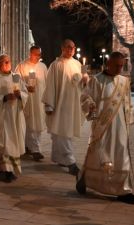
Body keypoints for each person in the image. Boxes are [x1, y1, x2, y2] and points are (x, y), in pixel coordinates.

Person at [77, 52, 134, 204]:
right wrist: (90, 106)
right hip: (102, 126)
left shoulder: (124, 81)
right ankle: (85, 180)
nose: (120, 68)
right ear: (108, 63)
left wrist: (129, 119)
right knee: (98, 155)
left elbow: (127, 102)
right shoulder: (96, 80)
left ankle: (123, 190)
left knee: (121, 154)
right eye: (117, 65)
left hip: (121, 127)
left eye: (122, 65)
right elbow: (85, 97)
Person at [42, 39, 88, 175]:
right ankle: (70, 161)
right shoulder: (55, 65)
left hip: (74, 104)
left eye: (73, 47)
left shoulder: (78, 64)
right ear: (62, 48)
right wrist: (49, 105)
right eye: (68, 47)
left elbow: (81, 85)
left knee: (60, 132)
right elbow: (50, 86)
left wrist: (85, 80)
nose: (71, 49)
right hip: (60, 105)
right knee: (63, 132)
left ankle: (58, 157)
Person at [0, 54, 28, 182]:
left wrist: (20, 95)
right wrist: (3, 98)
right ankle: (8, 170)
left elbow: (25, 93)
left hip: (15, 116)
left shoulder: (17, 77)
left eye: (8, 62)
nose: (6, 64)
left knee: (13, 142)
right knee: (5, 143)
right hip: (2, 116)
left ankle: (8, 167)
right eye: (3, 62)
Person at [15, 46, 47, 161]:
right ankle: (34, 149)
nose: (37, 57)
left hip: (39, 100)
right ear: (30, 53)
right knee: (29, 124)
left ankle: (31, 147)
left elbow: (46, 84)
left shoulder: (43, 67)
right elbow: (16, 81)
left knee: (37, 124)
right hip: (27, 100)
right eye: (35, 54)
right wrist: (26, 87)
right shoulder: (21, 66)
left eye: (39, 54)